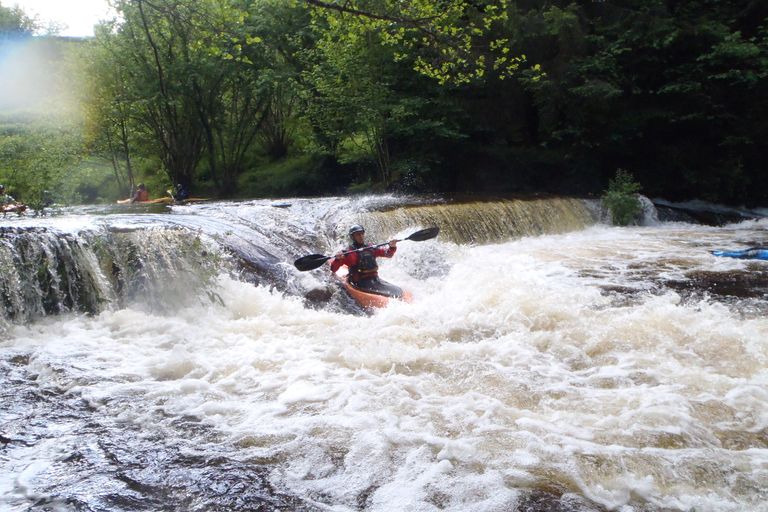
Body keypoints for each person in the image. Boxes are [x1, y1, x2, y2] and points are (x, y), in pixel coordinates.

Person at [330, 224, 403, 298]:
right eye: (358, 234)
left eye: (362, 233)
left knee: (398, 291)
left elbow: (388, 254)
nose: (361, 236)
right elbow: (333, 269)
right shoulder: (348, 253)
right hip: (360, 283)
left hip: (375, 280)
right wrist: (338, 259)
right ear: (353, 237)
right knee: (393, 294)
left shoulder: (371, 248)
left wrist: (392, 247)